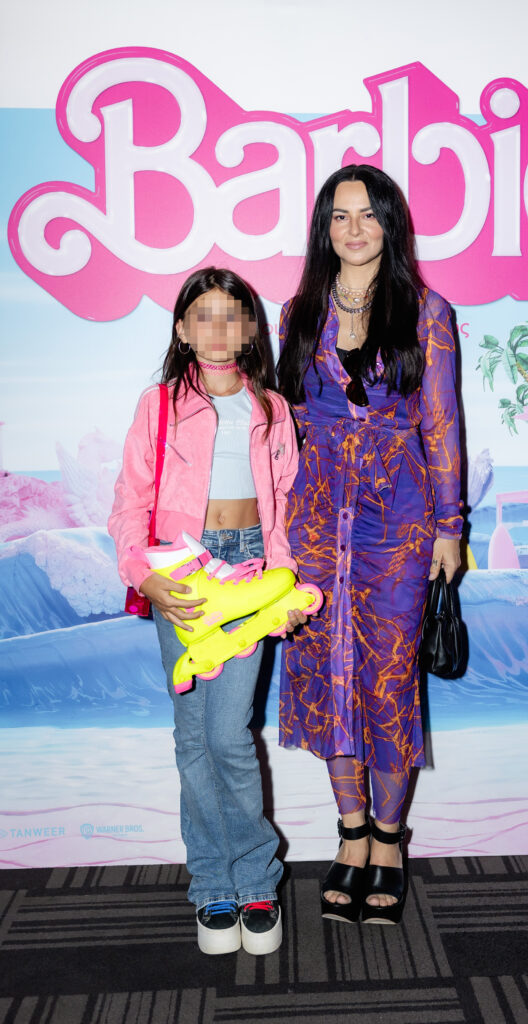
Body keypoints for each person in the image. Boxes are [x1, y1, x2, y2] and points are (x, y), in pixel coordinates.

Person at [277, 165, 464, 926]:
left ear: (390, 223)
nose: (353, 229)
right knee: (330, 674)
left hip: (398, 517)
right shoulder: (297, 310)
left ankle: (389, 840)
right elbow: (284, 422)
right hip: (316, 518)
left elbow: (441, 421)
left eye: (367, 214)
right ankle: (350, 834)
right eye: (339, 216)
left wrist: (450, 526)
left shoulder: (427, 310)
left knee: (386, 680)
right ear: (323, 228)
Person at [109, 267, 308, 956]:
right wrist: (145, 576)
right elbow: (130, 502)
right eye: (204, 316)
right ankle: (212, 884)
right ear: (182, 329)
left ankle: (256, 878)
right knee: (192, 737)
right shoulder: (159, 405)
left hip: (250, 569)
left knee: (229, 737)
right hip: (182, 573)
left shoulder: (272, 409)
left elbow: (284, 511)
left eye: (232, 316)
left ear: (251, 328)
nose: (218, 330)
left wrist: (282, 591)